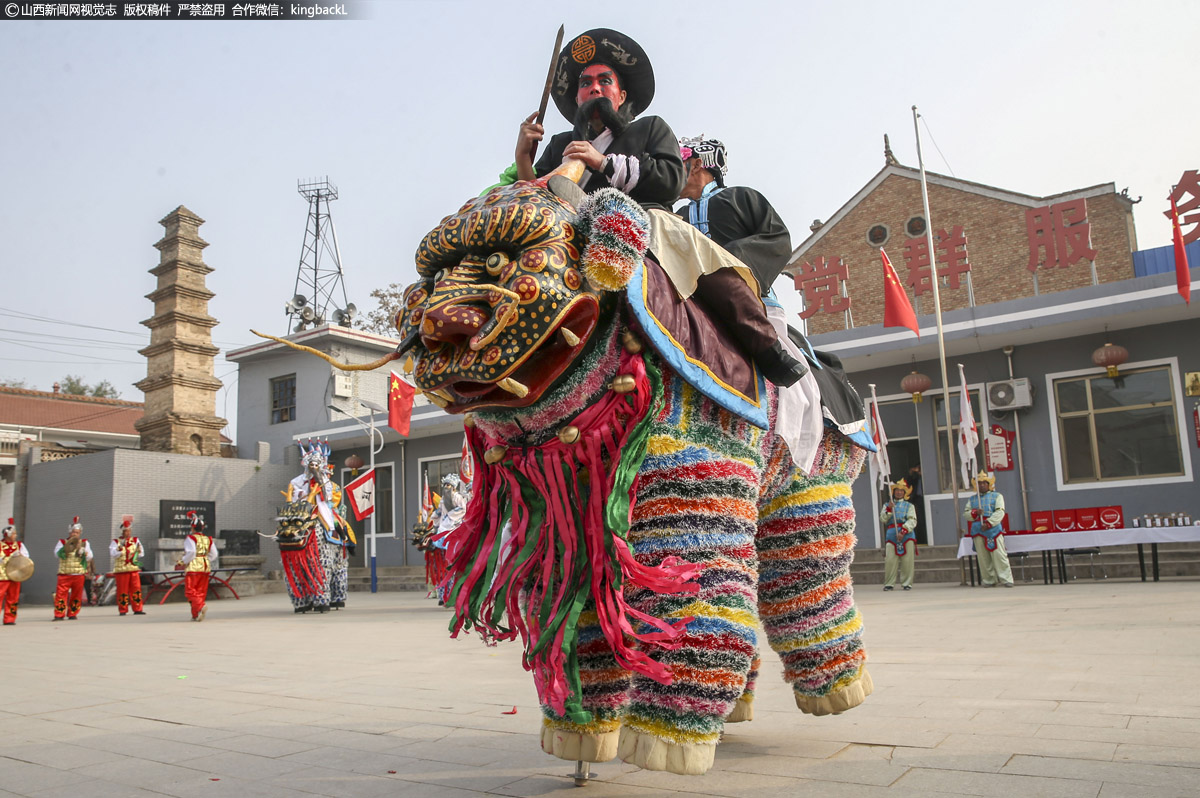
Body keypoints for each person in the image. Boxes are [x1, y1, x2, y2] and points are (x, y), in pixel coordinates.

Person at [515, 28, 682, 211]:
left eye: (605, 81)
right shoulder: (560, 144)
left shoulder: (650, 128)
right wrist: (522, 156)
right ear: (577, 100)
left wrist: (603, 163)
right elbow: (534, 201)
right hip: (564, 234)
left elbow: (671, 183)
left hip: (633, 230)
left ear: (622, 96)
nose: (595, 89)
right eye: (586, 84)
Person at [963, 472, 1013, 588]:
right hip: (978, 529)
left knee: (999, 555)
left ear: (988, 484)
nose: (981, 485)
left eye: (984, 483)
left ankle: (1006, 579)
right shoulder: (973, 499)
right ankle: (989, 579)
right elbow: (966, 514)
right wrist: (975, 512)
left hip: (993, 529)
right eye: (979, 483)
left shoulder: (997, 496)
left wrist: (989, 522)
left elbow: (1000, 511)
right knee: (983, 557)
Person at [880, 479, 918, 591]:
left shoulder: (909, 506)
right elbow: (883, 518)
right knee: (890, 560)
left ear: (905, 492)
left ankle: (907, 583)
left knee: (907, 561)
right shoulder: (887, 505)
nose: (899, 492)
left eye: (901, 490)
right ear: (893, 491)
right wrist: (889, 509)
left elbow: (912, 520)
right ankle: (889, 583)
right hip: (892, 534)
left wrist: (904, 531)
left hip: (907, 534)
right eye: (897, 490)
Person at [181, 512, 218, 621]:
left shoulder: (191, 538)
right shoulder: (208, 539)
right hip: (205, 566)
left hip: (193, 567)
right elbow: (214, 554)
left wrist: (183, 561)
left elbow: (191, 552)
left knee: (190, 591)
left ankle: (201, 606)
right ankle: (196, 614)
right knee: (200, 591)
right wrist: (205, 560)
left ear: (193, 528)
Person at [53, 517, 92, 620]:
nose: (75, 534)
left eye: (77, 532)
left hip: (78, 573)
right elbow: (57, 554)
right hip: (65, 573)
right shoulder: (62, 542)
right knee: (61, 594)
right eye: (73, 532)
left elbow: (90, 556)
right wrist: (66, 548)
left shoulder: (84, 543)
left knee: (76, 595)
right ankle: (59, 614)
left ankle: (73, 613)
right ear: (70, 532)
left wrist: (83, 552)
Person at [109, 519, 146, 616]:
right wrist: (120, 551)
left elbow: (142, 553)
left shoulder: (135, 540)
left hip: (133, 569)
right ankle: (123, 609)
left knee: (136, 589)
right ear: (122, 531)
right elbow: (113, 553)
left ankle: (138, 608)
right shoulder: (116, 542)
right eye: (125, 531)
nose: (127, 533)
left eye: (129, 531)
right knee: (122, 590)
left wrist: (137, 553)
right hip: (122, 570)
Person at [1, 519, 30, 625]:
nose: (15, 535)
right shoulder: (0, 545)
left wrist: (20, 556)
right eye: (13, 533)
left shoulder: (19, 545)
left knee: (13, 597)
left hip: (15, 576)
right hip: (2, 576)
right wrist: (9, 557)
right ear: (7, 534)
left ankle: (10, 619)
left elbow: (26, 557)